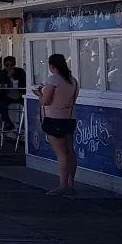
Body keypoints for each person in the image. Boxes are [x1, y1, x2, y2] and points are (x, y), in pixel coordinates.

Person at [36, 53, 80, 195]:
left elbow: (46, 101)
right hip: (69, 117)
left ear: (52, 66)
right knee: (70, 151)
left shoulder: (53, 80)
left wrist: (39, 94)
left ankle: (62, 185)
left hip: (54, 118)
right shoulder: (73, 80)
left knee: (61, 153)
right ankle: (70, 183)